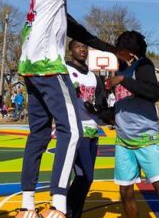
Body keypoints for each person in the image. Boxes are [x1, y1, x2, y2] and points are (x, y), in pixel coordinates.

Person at [16, 0, 113, 218]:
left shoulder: (44, 3)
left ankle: (27, 204)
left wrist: (113, 49)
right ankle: (58, 203)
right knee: (71, 130)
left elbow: (79, 31)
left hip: (29, 71)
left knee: (38, 135)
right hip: (46, 67)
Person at [107, 31, 159, 218]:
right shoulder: (121, 70)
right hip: (124, 141)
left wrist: (124, 80)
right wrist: (96, 112)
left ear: (131, 51)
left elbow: (153, 93)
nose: (117, 52)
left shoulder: (144, 65)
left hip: (146, 139)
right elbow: (121, 107)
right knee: (125, 192)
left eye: (120, 48)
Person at [65, 40, 109, 218]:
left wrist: (97, 109)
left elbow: (102, 104)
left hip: (92, 130)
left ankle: (75, 213)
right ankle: (64, 209)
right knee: (82, 176)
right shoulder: (65, 71)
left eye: (85, 47)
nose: (82, 49)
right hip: (73, 129)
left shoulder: (93, 77)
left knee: (86, 178)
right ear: (70, 51)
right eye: (78, 47)